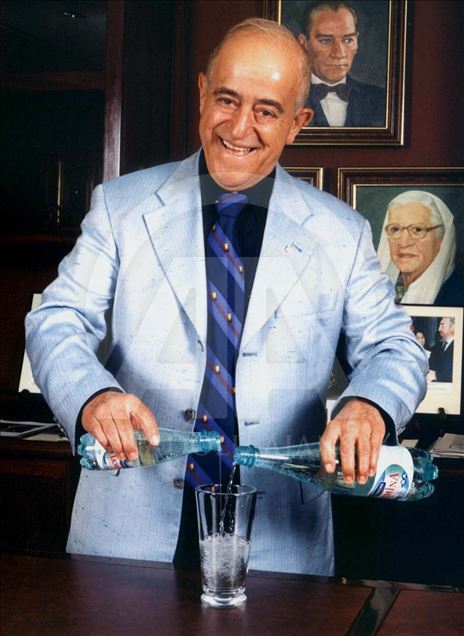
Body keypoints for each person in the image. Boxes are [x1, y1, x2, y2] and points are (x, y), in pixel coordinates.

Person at [25, 18, 427, 576]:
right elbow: (57, 319)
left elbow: (395, 348)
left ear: (298, 123)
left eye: (267, 111)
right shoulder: (120, 206)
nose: (239, 127)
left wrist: (369, 405)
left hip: (283, 542)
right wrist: (93, 397)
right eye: (227, 99)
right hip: (127, 530)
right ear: (201, 93)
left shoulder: (343, 233)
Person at [298, 1, 386, 126]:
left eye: (348, 40)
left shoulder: (381, 99)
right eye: (326, 41)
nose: (339, 53)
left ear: (357, 42)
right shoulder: (287, 96)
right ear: (303, 43)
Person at [377, 190, 463, 305]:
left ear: (441, 238)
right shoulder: (379, 290)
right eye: (395, 229)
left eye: (417, 229)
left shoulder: (458, 295)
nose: (403, 243)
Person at [428, 317, 455, 383]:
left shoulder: (458, 346)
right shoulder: (437, 346)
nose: (439, 329)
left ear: (452, 327)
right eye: (439, 325)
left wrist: (437, 375)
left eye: (442, 325)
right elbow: (430, 366)